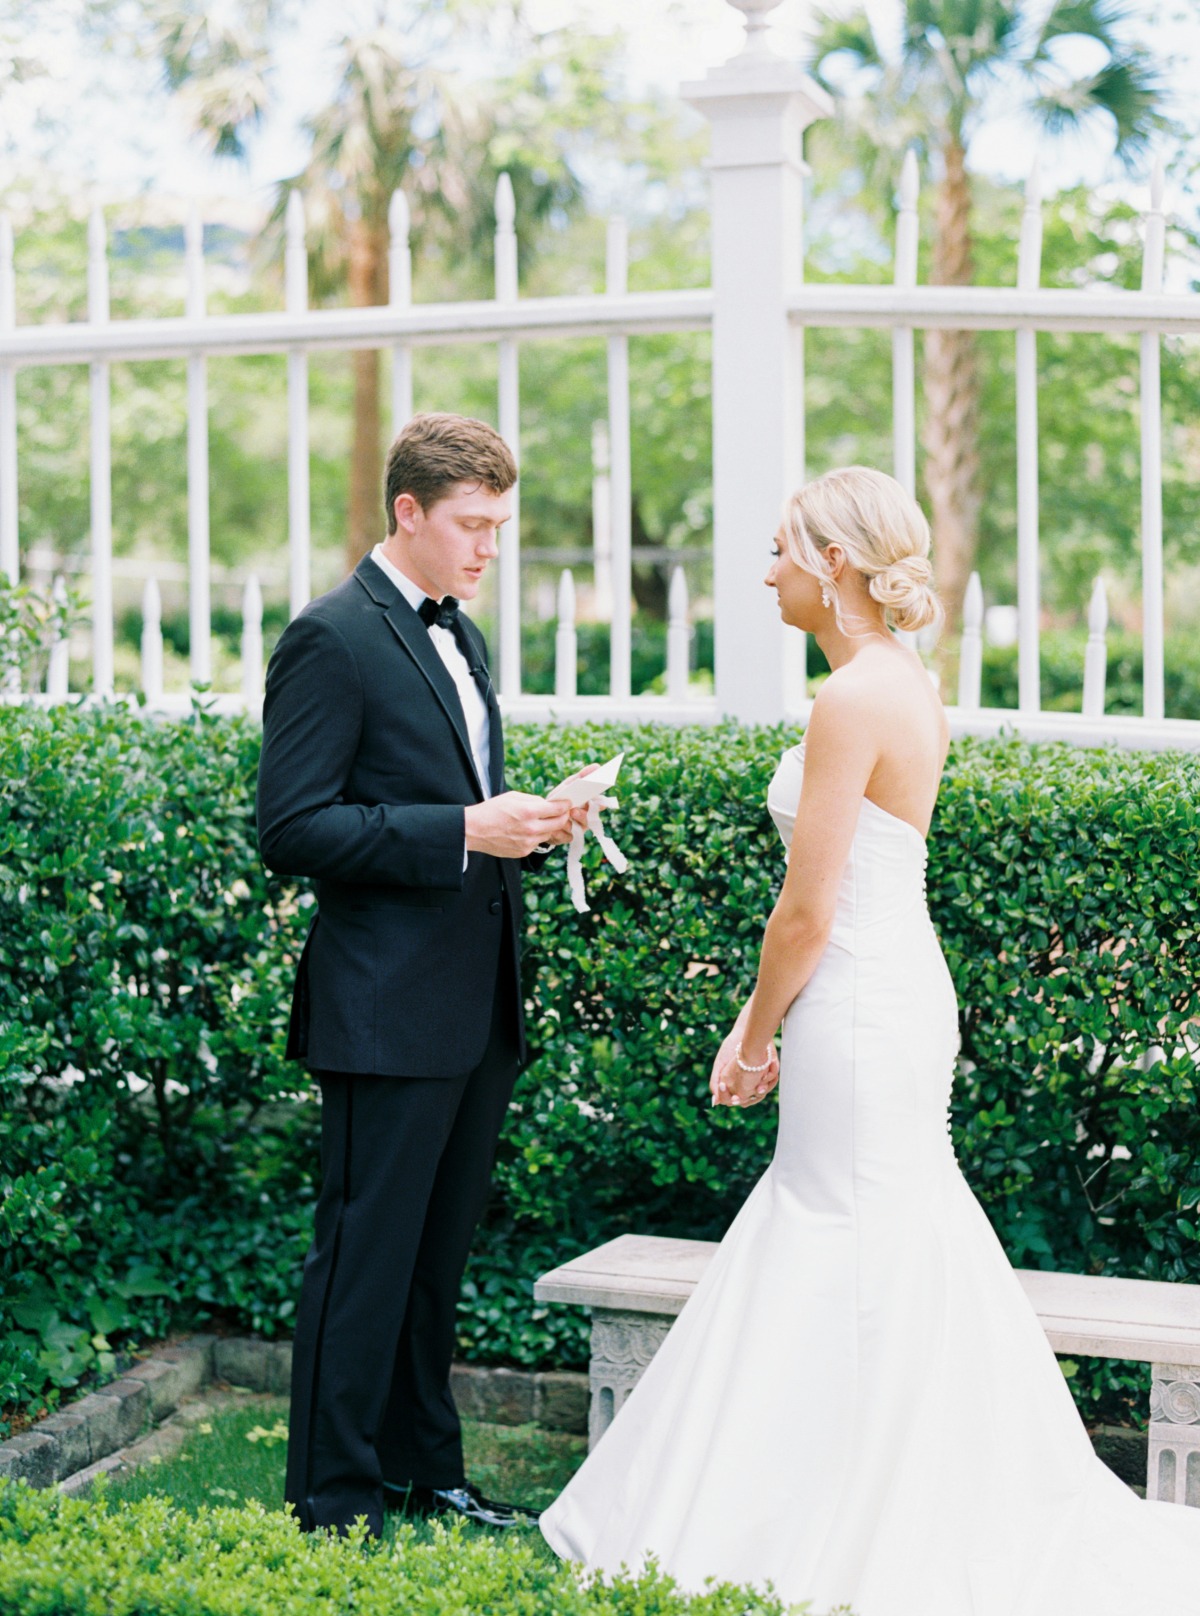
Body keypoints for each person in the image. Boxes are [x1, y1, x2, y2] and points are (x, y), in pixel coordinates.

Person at [539, 466, 1200, 1613]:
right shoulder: (897, 680)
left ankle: (845, 1514)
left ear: (835, 562)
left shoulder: (851, 700)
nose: (766, 570)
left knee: (848, 1227)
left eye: (782, 547)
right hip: (888, 990)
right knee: (875, 1232)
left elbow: (809, 906)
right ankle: (847, 1491)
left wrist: (751, 1034)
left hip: (855, 999)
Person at [258, 411, 586, 1539]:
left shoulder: (464, 636)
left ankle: (424, 1469)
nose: (491, 547)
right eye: (473, 525)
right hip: (383, 1007)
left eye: (501, 524)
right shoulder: (330, 637)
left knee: (433, 1260)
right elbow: (293, 826)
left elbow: (455, 802)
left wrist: (531, 824)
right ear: (409, 511)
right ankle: (334, 1497)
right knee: (363, 1259)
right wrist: (460, 828)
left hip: (475, 999)